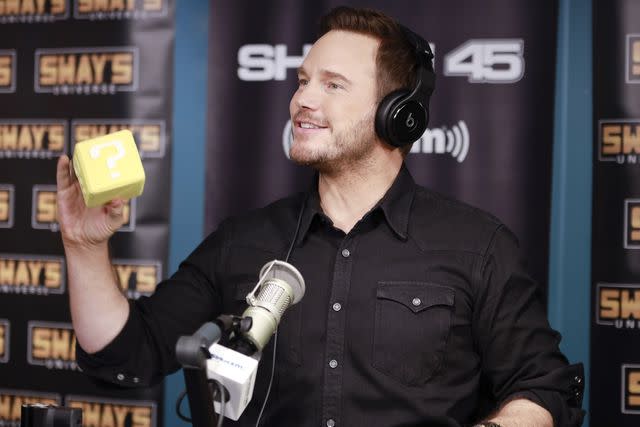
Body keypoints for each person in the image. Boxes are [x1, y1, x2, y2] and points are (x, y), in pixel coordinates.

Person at [56, 6, 584, 427]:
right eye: (302, 80)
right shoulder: (243, 240)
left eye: (332, 85)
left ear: (398, 114)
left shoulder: (478, 245)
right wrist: (84, 246)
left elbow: (543, 386)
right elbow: (127, 355)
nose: (302, 99)